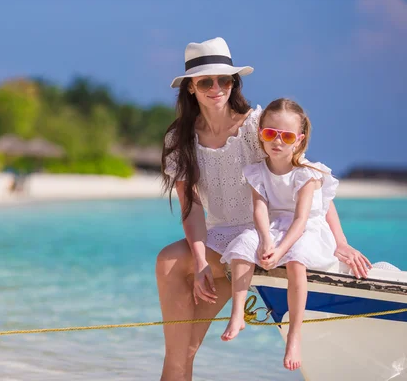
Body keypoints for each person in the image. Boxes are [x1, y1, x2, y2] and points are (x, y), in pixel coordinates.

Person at [156, 37, 372, 381]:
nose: (217, 88)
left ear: (234, 83)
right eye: (206, 81)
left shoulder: (257, 127)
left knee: (187, 347)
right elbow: (191, 209)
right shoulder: (179, 139)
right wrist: (198, 262)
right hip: (223, 237)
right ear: (190, 88)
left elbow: (308, 179)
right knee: (172, 290)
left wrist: (340, 241)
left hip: (265, 236)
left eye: (225, 80)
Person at [219, 98, 339, 371]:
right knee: (242, 246)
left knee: (297, 263)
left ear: (299, 140)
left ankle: (294, 335)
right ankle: (238, 312)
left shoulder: (306, 174)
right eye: (270, 133)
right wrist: (265, 240)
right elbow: (260, 210)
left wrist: (281, 249)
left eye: (286, 136)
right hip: (274, 225)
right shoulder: (258, 171)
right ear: (261, 133)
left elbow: (301, 220)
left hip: (305, 229)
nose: (277, 142)